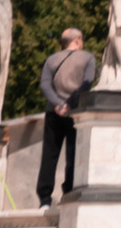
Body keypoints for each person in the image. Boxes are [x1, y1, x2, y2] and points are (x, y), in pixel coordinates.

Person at [37, 26, 94, 206]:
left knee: (49, 155)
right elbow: (87, 84)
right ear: (77, 41)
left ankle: (44, 198)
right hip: (75, 113)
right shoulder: (88, 58)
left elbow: (45, 85)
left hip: (52, 112)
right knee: (73, 154)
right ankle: (69, 192)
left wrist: (57, 104)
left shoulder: (51, 59)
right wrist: (69, 104)